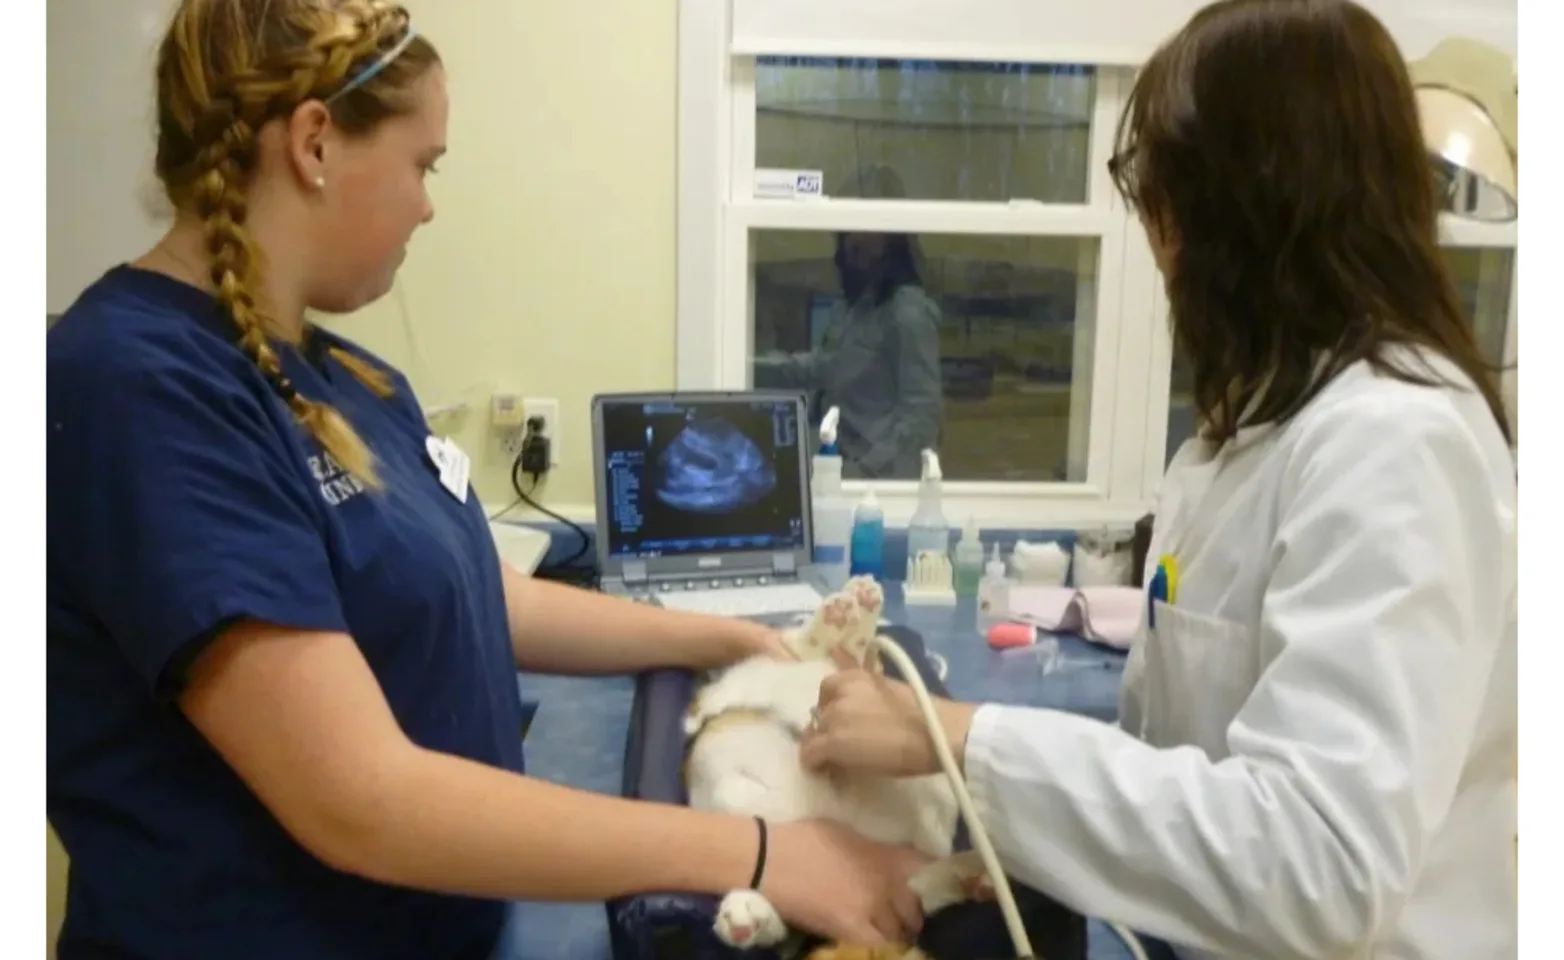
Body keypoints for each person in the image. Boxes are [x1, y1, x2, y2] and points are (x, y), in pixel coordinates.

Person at [45, 3, 927, 958]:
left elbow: (486, 596)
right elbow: (361, 798)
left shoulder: (351, 379)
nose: (428, 203)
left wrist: (735, 637)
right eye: (424, 164)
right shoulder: (138, 387)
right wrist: (760, 854)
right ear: (313, 144)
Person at [797, 2, 1517, 958]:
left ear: (1252, 208)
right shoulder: (1237, 438)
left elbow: (1324, 867)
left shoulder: (1399, 442)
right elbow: (1177, 769)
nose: (1156, 242)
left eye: (1164, 201)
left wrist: (962, 738)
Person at [755, 164, 943, 480]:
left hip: (882, 482)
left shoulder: (909, 313)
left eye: (864, 228)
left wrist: (863, 472)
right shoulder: (854, 307)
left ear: (891, 235)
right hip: (839, 456)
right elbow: (820, 368)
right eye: (847, 230)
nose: (852, 240)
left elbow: (919, 422)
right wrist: (746, 366)